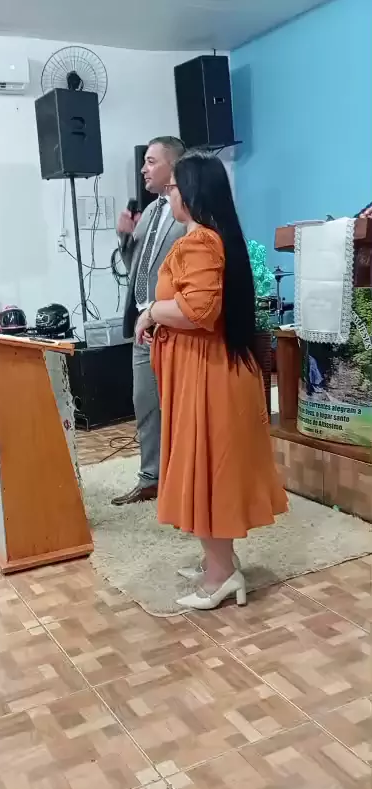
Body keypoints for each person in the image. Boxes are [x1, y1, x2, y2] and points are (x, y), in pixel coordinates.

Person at [135, 149, 288, 610]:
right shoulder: (211, 238)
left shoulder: (200, 241)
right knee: (204, 464)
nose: (168, 196)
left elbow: (197, 310)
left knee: (206, 468)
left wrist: (151, 312)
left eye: (173, 188)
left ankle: (221, 574)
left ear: (193, 192)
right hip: (207, 370)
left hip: (208, 375)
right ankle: (217, 561)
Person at [113, 136, 186, 506]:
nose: (144, 168)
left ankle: (184, 480)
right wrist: (125, 238)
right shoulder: (150, 213)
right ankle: (151, 478)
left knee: (179, 406)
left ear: (174, 165)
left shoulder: (189, 210)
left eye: (152, 161)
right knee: (144, 402)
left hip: (175, 325)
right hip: (144, 325)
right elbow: (136, 270)